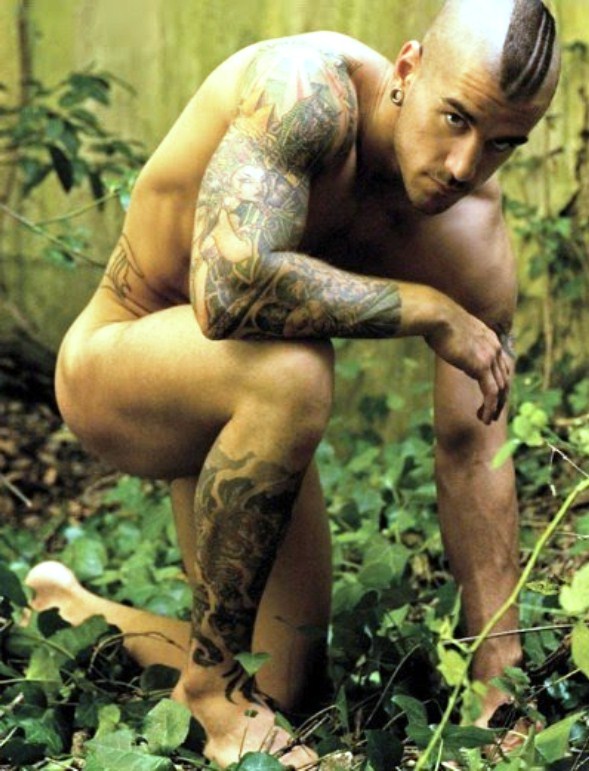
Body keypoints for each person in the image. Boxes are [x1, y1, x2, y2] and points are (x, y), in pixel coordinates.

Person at [25, 0, 561, 767]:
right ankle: (210, 692)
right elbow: (227, 293)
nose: (462, 166)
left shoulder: (471, 235)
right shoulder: (306, 92)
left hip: (235, 401)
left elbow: (473, 449)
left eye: (501, 143)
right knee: (295, 366)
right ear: (407, 68)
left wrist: (496, 676)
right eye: (455, 118)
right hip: (120, 363)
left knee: (285, 681)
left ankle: (70, 608)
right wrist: (426, 308)